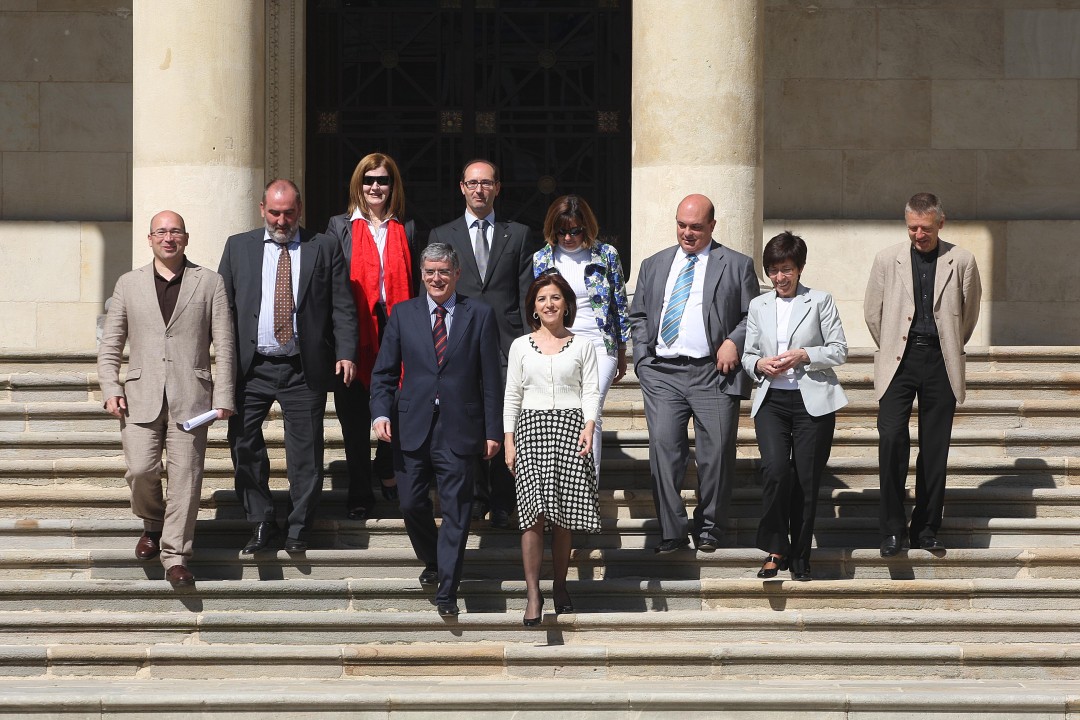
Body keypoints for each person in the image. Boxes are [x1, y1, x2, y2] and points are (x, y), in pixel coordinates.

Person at [218, 179, 359, 555]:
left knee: (306, 453)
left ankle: (299, 528)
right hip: (252, 367)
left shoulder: (324, 246)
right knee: (243, 443)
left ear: (300, 210)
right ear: (262, 209)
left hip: (302, 367)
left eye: (289, 213)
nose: (282, 221)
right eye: (275, 213)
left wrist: (346, 352)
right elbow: (222, 307)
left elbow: (342, 305)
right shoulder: (237, 247)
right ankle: (261, 520)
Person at [97, 211, 236, 587]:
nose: (168, 238)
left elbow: (224, 344)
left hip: (192, 397)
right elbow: (111, 344)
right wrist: (111, 388)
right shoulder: (129, 283)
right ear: (150, 239)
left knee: (186, 478)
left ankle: (175, 556)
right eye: (161, 232)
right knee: (141, 470)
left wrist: (224, 394)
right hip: (139, 396)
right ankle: (153, 522)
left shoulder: (210, 282)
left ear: (186, 238)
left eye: (175, 231)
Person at [370, 243, 503, 617]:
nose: (436, 278)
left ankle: (447, 589)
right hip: (411, 425)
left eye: (443, 271)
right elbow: (383, 372)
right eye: (430, 271)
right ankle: (433, 558)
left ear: (457, 273)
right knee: (411, 503)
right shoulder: (403, 313)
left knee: (457, 511)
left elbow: (491, 378)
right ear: (422, 274)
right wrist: (379, 414)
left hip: (459, 427)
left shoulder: (479, 314)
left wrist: (493, 430)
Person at [629, 194, 758, 554]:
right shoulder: (653, 264)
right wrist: (643, 361)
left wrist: (733, 341)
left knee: (716, 454)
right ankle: (672, 530)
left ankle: (710, 528)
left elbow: (754, 314)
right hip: (662, 373)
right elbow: (638, 315)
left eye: (696, 227)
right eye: (682, 225)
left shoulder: (737, 264)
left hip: (713, 373)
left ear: (712, 226)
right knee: (664, 451)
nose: (687, 233)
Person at [865, 192, 982, 557]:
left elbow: (969, 313)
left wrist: (948, 344)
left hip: (940, 361)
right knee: (891, 440)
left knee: (934, 448)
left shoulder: (962, 260)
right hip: (898, 361)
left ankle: (927, 529)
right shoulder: (887, 259)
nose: (919, 234)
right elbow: (872, 312)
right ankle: (892, 530)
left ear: (940, 223)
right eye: (913, 227)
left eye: (925, 228)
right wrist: (891, 344)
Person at [427, 158, 540, 529]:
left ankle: (504, 499)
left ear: (497, 188)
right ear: (462, 187)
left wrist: (528, 342)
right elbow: (436, 291)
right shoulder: (442, 233)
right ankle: (476, 496)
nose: (479, 189)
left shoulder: (517, 234)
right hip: (459, 339)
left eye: (487, 183)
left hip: (507, 342)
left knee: (508, 419)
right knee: (467, 416)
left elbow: (525, 293)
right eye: (473, 183)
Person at [742, 231, 848, 581]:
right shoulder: (759, 305)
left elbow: (839, 350)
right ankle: (776, 549)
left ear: (799, 268)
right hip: (772, 401)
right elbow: (748, 354)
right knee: (775, 471)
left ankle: (800, 555)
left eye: (786, 269)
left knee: (806, 480)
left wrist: (805, 354)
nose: (779, 277)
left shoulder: (820, 301)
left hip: (812, 402)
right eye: (773, 270)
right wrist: (759, 364)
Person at [325, 153, 420, 520]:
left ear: (393, 186)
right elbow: (331, 283)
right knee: (353, 418)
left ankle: (385, 462)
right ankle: (360, 491)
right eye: (369, 180)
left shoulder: (406, 228)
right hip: (353, 330)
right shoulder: (339, 227)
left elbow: (417, 285)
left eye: (382, 180)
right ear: (358, 184)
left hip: (396, 328)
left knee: (398, 404)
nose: (375, 187)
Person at [504, 273, 601, 626]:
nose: (549, 304)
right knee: (532, 515)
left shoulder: (583, 345)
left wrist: (589, 426)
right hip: (531, 431)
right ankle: (533, 593)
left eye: (556, 298)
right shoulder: (520, 346)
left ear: (566, 304)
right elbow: (512, 394)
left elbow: (591, 390)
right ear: (534, 306)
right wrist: (509, 439)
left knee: (562, 516)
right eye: (542, 298)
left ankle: (560, 585)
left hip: (570, 430)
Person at [532, 195, 629, 480]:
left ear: (586, 227)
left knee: (591, 412)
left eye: (575, 230)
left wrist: (621, 349)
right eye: (561, 231)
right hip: (559, 342)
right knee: (568, 412)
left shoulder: (606, 255)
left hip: (599, 343)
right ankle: (567, 482)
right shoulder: (542, 258)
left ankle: (589, 488)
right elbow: (538, 305)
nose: (568, 237)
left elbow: (619, 304)